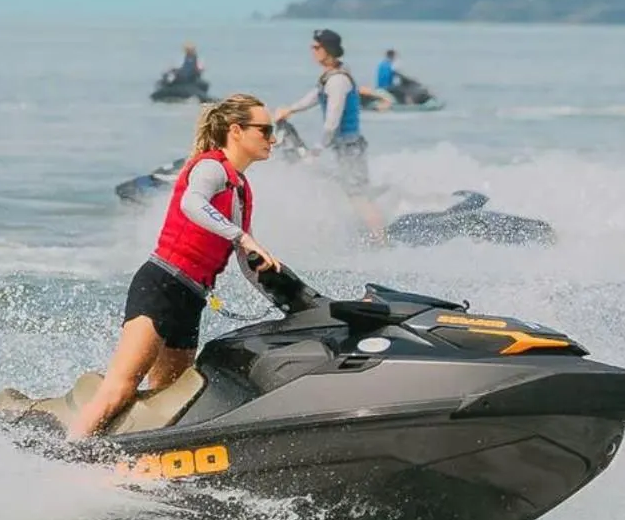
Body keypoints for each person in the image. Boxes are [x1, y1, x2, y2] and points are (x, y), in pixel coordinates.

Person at [70, 94, 282, 437]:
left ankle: (131, 454)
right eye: (266, 129)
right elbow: (192, 204)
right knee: (121, 386)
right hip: (161, 285)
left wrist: (284, 297)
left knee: (168, 396)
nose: (273, 138)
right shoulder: (210, 167)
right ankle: (66, 456)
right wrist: (243, 238)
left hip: (191, 297)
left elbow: (247, 259)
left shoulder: (241, 187)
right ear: (237, 131)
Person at [276, 28, 387, 241]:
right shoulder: (332, 76)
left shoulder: (337, 81)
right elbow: (315, 96)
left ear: (327, 50)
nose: (313, 51)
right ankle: (370, 233)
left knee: (358, 196)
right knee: (350, 191)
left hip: (349, 147)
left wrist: (317, 150)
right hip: (345, 146)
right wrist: (291, 109)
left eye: (316, 47)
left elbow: (332, 123)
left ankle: (382, 242)